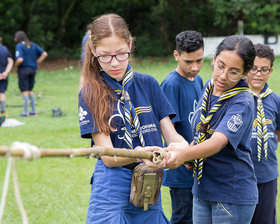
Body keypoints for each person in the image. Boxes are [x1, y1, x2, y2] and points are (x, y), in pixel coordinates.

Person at [78, 13, 187, 224]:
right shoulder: (90, 93)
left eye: (121, 54)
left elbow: (172, 136)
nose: (114, 63)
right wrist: (137, 154)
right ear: (93, 51)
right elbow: (108, 156)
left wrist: (183, 150)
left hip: (148, 182)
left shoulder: (149, 84)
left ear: (130, 44)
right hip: (111, 188)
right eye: (105, 56)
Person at [146, 35, 258, 224]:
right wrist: (181, 153)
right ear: (214, 58)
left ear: (245, 73)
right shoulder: (209, 86)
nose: (223, 76)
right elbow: (201, 134)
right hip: (201, 189)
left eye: (233, 72)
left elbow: (216, 142)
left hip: (230, 194)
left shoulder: (243, 100)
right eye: (220, 66)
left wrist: (185, 154)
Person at [160, 30, 204, 224]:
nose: (195, 67)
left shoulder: (200, 81)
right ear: (176, 55)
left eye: (199, 60)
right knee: (183, 217)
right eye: (188, 62)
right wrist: (186, 154)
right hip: (180, 167)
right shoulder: (171, 84)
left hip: (198, 162)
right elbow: (169, 129)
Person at [247, 44, 280, 224]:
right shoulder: (238, 99)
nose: (258, 74)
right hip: (243, 173)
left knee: (266, 219)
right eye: (253, 68)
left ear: (270, 71)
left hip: (267, 173)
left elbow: (277, 133)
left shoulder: (275, 100)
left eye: (263, 69)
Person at [14, 30, 48, 117]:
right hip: (32, 69)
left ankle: (25, 112)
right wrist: (36, 62)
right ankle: (33, 111)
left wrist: (15, 66)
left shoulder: (19, 46)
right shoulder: (33, 45)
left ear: (18, 38)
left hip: (23, 70)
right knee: (30, 90)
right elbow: (44, 54)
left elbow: (20, 59)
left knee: (24, 90)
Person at [0, 37, 14, 126]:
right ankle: (3, 113)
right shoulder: (5, 49)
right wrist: (6, 72)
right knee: (1, 92)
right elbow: (11, 61)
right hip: (4, 75)